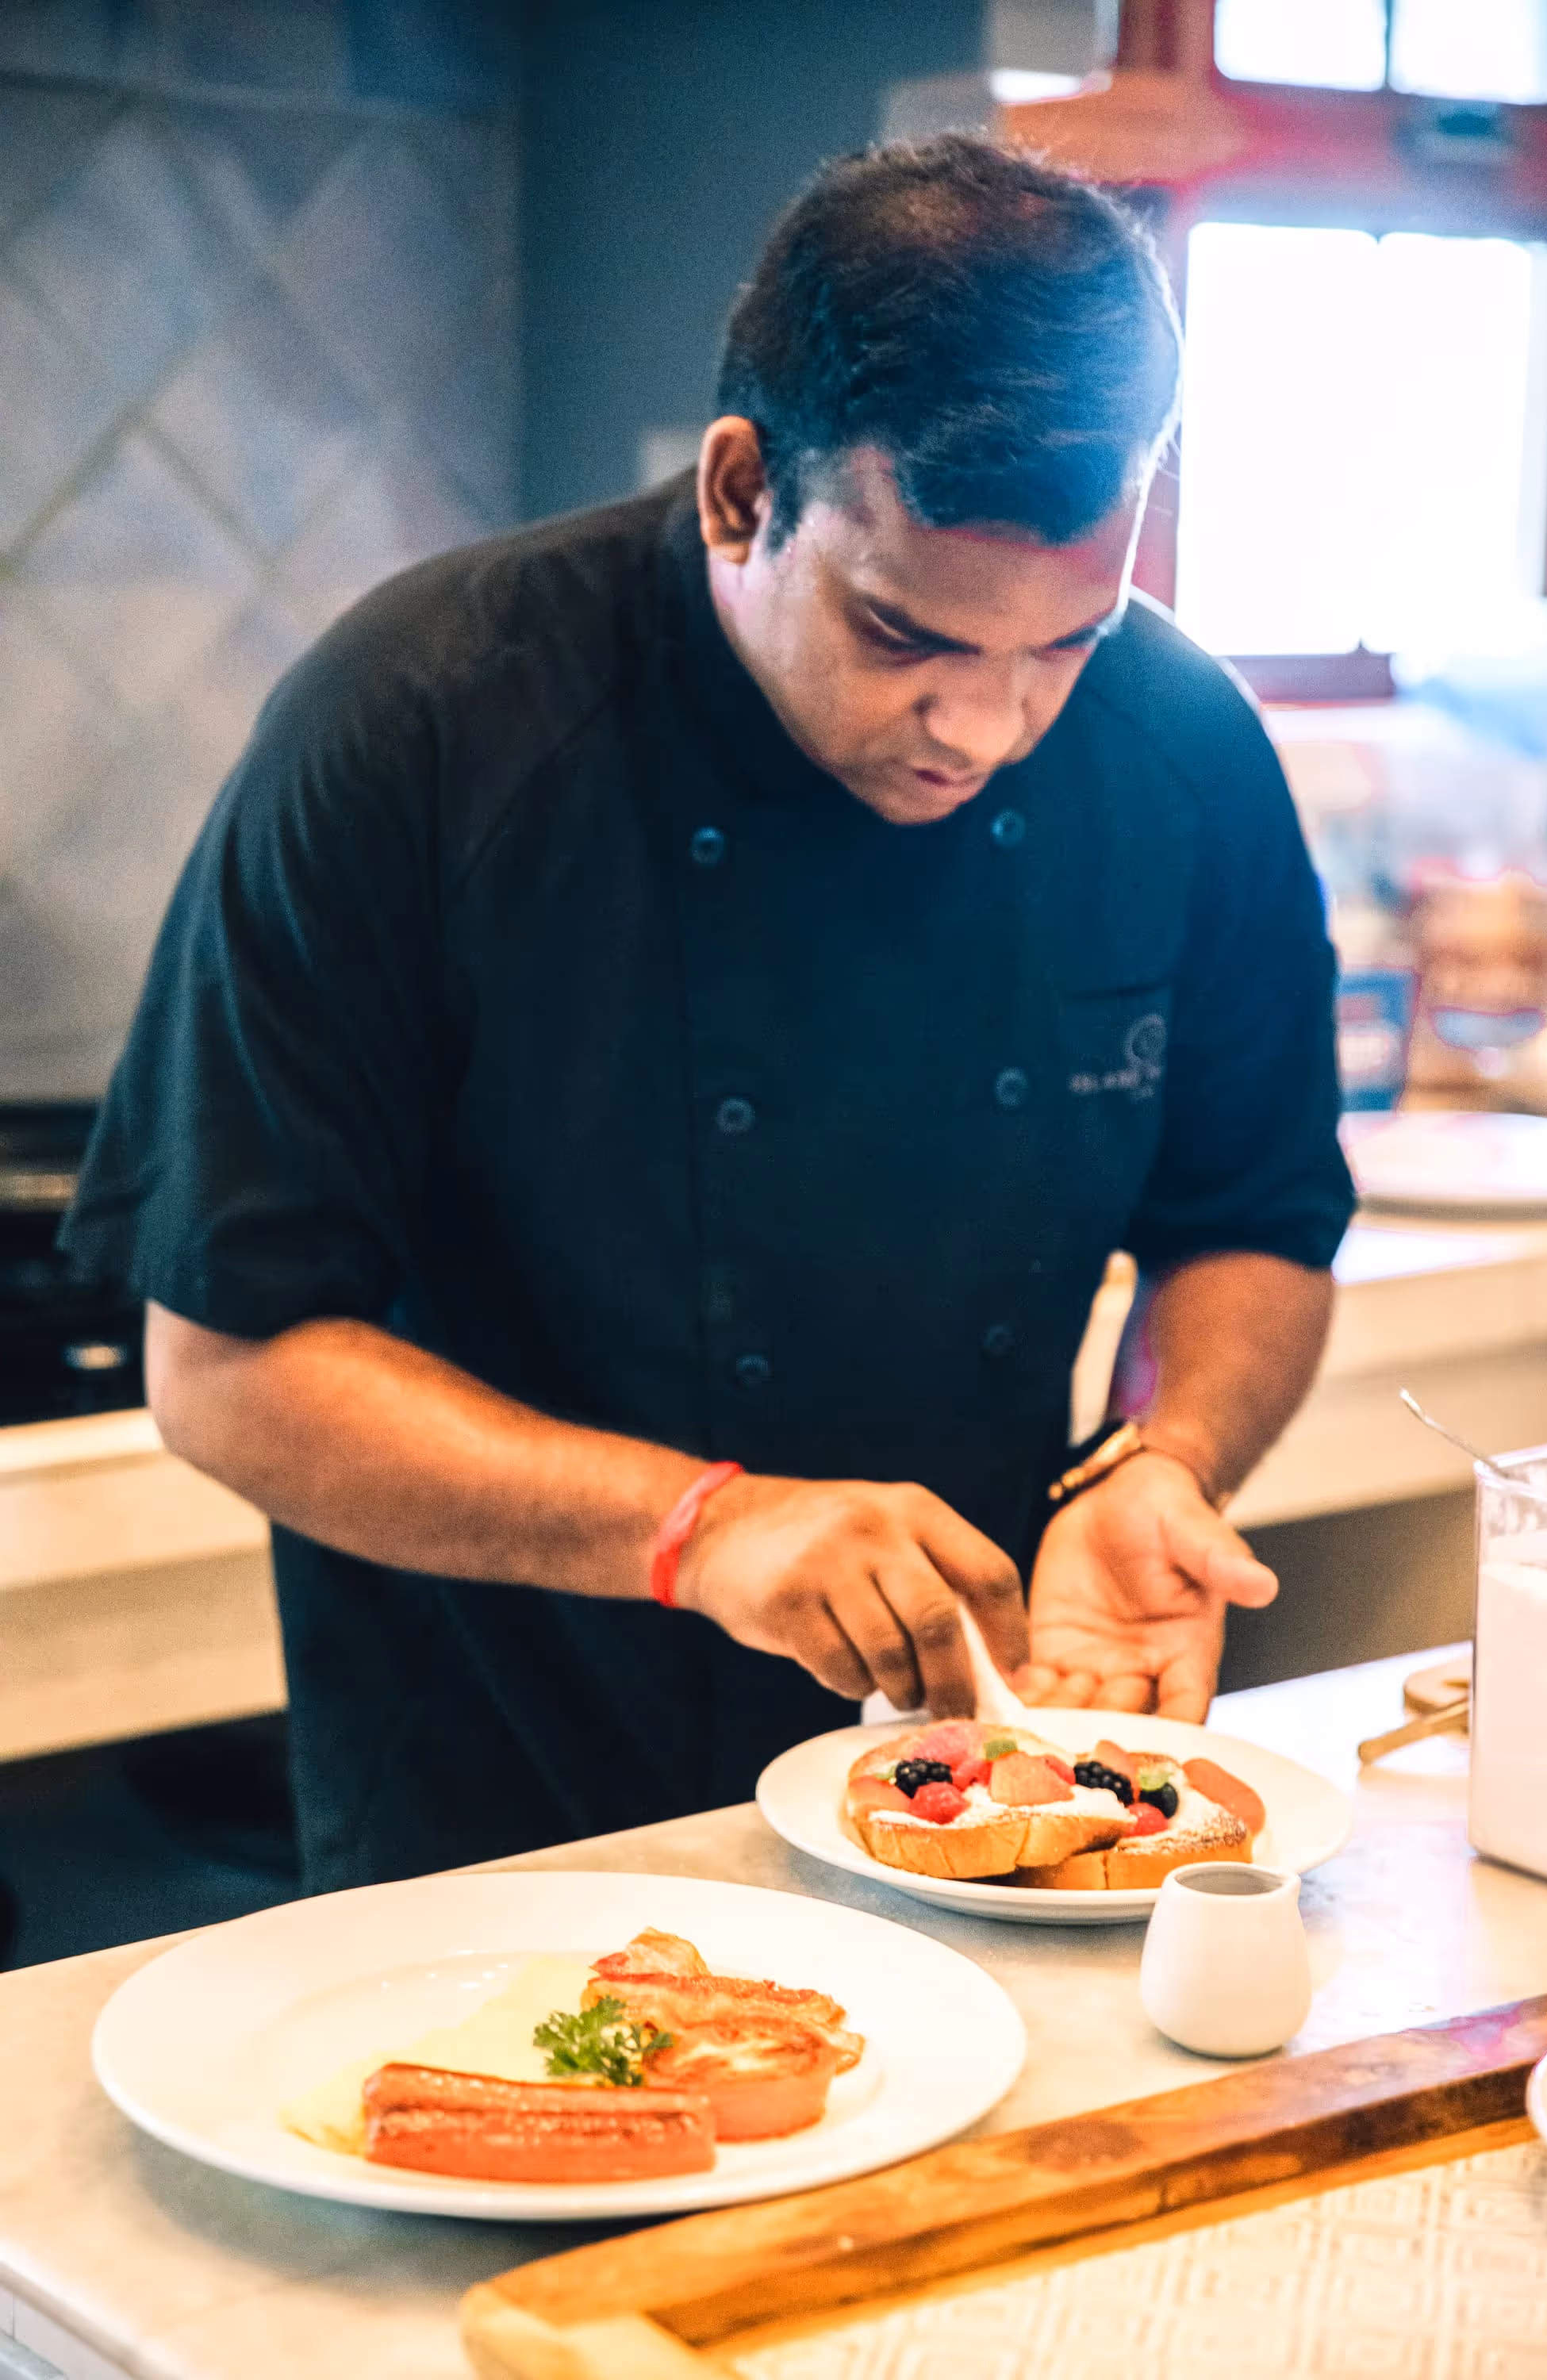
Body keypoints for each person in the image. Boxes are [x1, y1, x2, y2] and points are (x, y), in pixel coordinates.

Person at [63, 137, 1353, 1894]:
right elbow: (228, 1372)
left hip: (977, 1785)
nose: (982, 729)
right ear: (742, 491)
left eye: (1060, 644)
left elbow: (1253, 1224)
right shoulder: (424, 726)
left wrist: (1159, 1455)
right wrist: (699, 1528)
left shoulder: (1180, 745)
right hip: (497, 1809)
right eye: (904, 632)